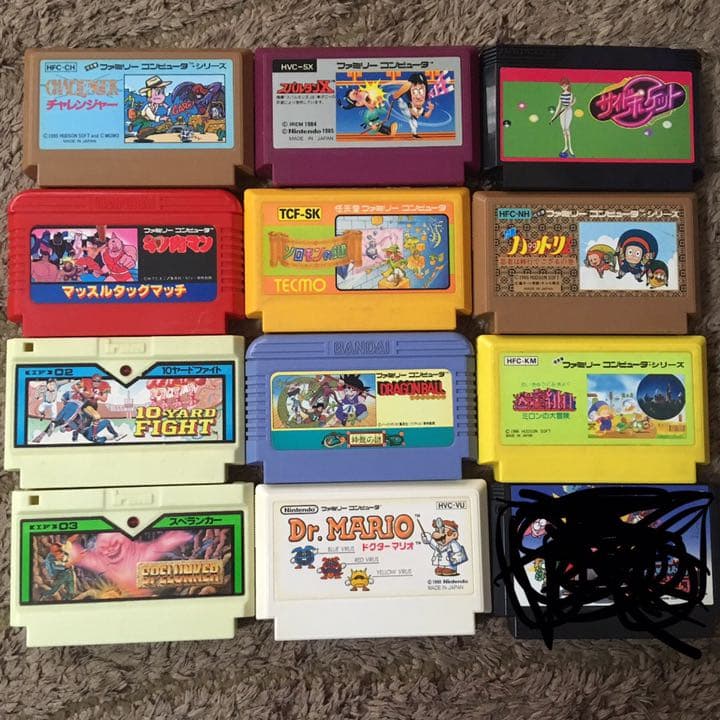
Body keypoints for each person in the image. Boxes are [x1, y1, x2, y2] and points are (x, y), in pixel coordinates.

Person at [550, 78, 576, 158]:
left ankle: (570, 148)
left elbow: (571, 103)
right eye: (562, 86)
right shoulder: (561, 95)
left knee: (567, 128)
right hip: (562, 111)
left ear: (568, 85)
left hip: (568, 111)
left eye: (565, 85)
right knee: (563, 130)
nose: (564, 87)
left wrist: (571, 104)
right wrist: (553, 117)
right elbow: (558, 106)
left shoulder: (571, 94)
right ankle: (566, 146)